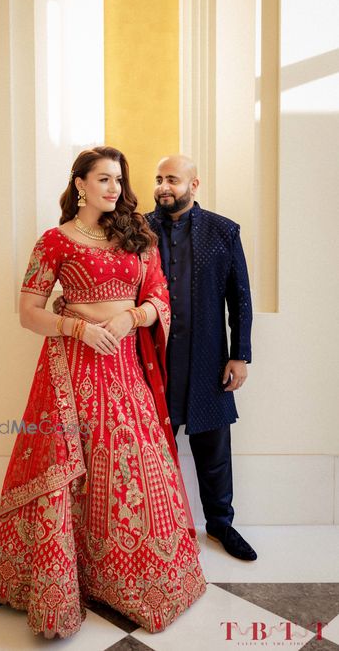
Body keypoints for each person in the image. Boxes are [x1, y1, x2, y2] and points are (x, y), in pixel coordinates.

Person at [0, 147, 206, 639]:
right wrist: (77, 329)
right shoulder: (54, 241)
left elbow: (159, 298)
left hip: (124, 368)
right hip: (74, 370)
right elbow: (29, 312)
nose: (114, 188)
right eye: (103, 179)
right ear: (80, 184)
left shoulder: (137, 236)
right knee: (72, 467)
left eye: (118, 180)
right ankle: (66, 578)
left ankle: (130, 580)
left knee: (132, 467)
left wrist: (131, 317)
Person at [145, 154, 257, 561]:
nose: (163, 187)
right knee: (151, 452)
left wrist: (239, 355)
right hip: (150, 362)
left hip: (208, 359)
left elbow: (239, 298)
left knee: (214, 451)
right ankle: (159, 530)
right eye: (159, 179)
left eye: (172, 179)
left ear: (193, 185)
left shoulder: (223, 231)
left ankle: (221, 526)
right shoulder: (139, 230)